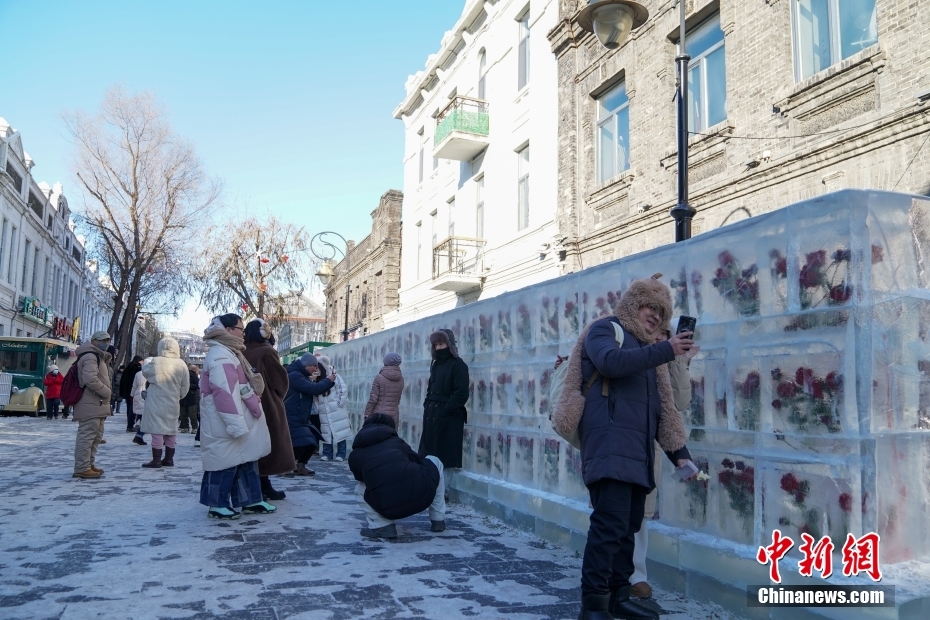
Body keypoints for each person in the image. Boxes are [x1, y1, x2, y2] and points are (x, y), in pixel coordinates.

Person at [575, 275, 697, 620]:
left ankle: (618, 596)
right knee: (608, 527)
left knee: (627, 529)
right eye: (650, 307)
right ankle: (594, 603)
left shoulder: (648, 354)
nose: (656, 316)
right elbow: (609, 363)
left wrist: (680, 455)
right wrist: (665, 349)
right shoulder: (605, 330)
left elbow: (662, 410)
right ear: (632, 304)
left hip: (637, 452)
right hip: (609, 444)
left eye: (662, 312)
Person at [629, 325, 700, 600]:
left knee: (640, 517)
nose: (660, 339)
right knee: (617, 514)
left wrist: (680, 361)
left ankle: (636, 577)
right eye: (655, 335)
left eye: (664, 335)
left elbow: (679, 403)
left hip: (649, 447)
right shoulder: (631, 355)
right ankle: (614, 580)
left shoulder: (665, 362)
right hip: (621, 444)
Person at [198, 314, 274, 520]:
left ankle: (250, 500)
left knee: (245, 460)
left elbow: (239, 388)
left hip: (239, 416)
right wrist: (235, 423)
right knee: (223, 462)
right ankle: (217, 503)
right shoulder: (221, 355)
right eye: (240, 329)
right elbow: (224, 393)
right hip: (226, 420)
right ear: (228, 330)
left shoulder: (230, 352)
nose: (243, 333)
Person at [349, 414, 446, 539]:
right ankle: (438, 520)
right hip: (422, 497)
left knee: (359, 488)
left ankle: (382, 526)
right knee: (434, 460)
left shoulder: (356, 453)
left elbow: (360, 477)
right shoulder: (398, 442)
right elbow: (418, 462)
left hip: (388, 507)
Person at [243, 319, 295, 501]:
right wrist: (277, 398)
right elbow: (280, 381)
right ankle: (263, 486)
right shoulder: (267, 351)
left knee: (253, 446)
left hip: (245, 403)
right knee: (268, 443)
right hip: (267, 404)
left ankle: (260, 485)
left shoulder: (241, 351)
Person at [418, 329, 469, 482]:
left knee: (445, 456)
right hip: (432, 414)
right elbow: (430, 388)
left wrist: (445, 411)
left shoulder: (458, 365)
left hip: (448, 417)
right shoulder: (435, 365)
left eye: (441, 344)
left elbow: (461, 394)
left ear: (449, 344)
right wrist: (427, 405)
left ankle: (443, 492)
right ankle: (430, 488)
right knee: (429, 453)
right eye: (436, 345)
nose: (439, 348)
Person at [139, 337, 190, 468]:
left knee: (157, 429)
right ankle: (169, 459)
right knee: (171, 429)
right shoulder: (181, 364)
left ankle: (156, 459)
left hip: (156, 399)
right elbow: (185, 386)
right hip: (172, 400)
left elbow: (145, 372)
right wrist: (177, 396)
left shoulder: (156, 361)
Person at [284, 353, 334, 476]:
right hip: (292, 415)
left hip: (300, 416)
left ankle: (299, 466)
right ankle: (285, 466)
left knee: (313, 441)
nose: (316, 369)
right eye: (314, 366)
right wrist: (328, 380)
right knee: (303, 442)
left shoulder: (301, 375)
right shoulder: (295, 376)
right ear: (306, 365)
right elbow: (314, 389)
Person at [72, 331, 113, 479]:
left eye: (108, 340)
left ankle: (88, 464)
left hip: (97, 403)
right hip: (90, 402)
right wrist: (106, 392)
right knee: (87, 436)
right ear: (94, 341)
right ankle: (82, 467)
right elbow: (90, 378)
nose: (106, 343)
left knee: (95, 437)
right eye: (103, 340)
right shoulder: (90, 356)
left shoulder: (98, 355)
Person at [315, 355, 351, 462]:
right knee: (326, 432)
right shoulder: (317, 379)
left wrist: (339, 403)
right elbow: (315, 396)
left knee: (340, 431)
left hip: (336, 409)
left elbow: (342, 389)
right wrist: (318, 408)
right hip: (324, 410)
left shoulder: (335, 376)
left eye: (318, 367)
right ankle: (327, 453)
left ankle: (341, 453)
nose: (316, 369)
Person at [363, 352, 405, 426]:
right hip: (394, 415)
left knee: (378, 436)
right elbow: (398, 400)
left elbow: (373, 399)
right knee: (390, 436)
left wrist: (367, 414)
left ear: (386, 363)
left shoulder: (379, 378)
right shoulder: (401, 379)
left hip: (379, 415)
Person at [120, 356, 144, 433]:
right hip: (135, 391)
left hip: (127, 391)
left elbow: (122, 381)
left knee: (129, 408)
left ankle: (130, 424)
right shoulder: (139, 370)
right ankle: (135, 424)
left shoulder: (127, 368)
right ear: (139, 361)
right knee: (136, 409)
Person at [179, 364, 200, 433]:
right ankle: (194, 428)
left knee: (183, 414)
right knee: (192, 414)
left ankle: (185, 427)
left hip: (183, 397)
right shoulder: (194, 376)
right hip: (191, 397)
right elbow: (198, 385)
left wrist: (187, 386)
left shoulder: (182, 375)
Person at [131, 366, 149, 446]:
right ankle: (164, 438)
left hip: (138, 394)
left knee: (146, 418)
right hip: (148, 394)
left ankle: (139, 435)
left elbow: (134, 385)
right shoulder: (152, 373)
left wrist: (132, 395)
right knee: (149, 418)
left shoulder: (138, 373)